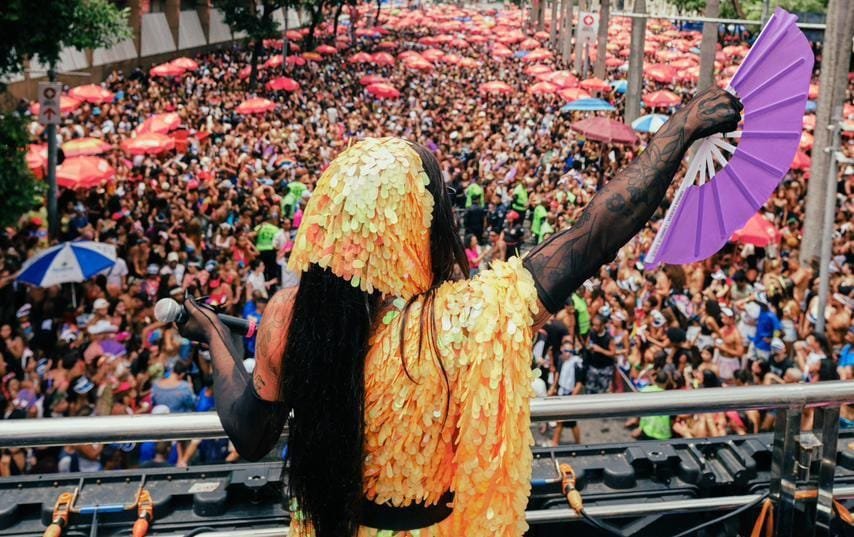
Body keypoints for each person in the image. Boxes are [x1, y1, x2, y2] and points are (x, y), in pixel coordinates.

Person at [176, 88, 742, 537]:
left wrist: (209, 331)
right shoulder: (466, 318)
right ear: (415, 227)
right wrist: (679, 129)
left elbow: (251, 431)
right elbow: (596, 231)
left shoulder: (289, 314)